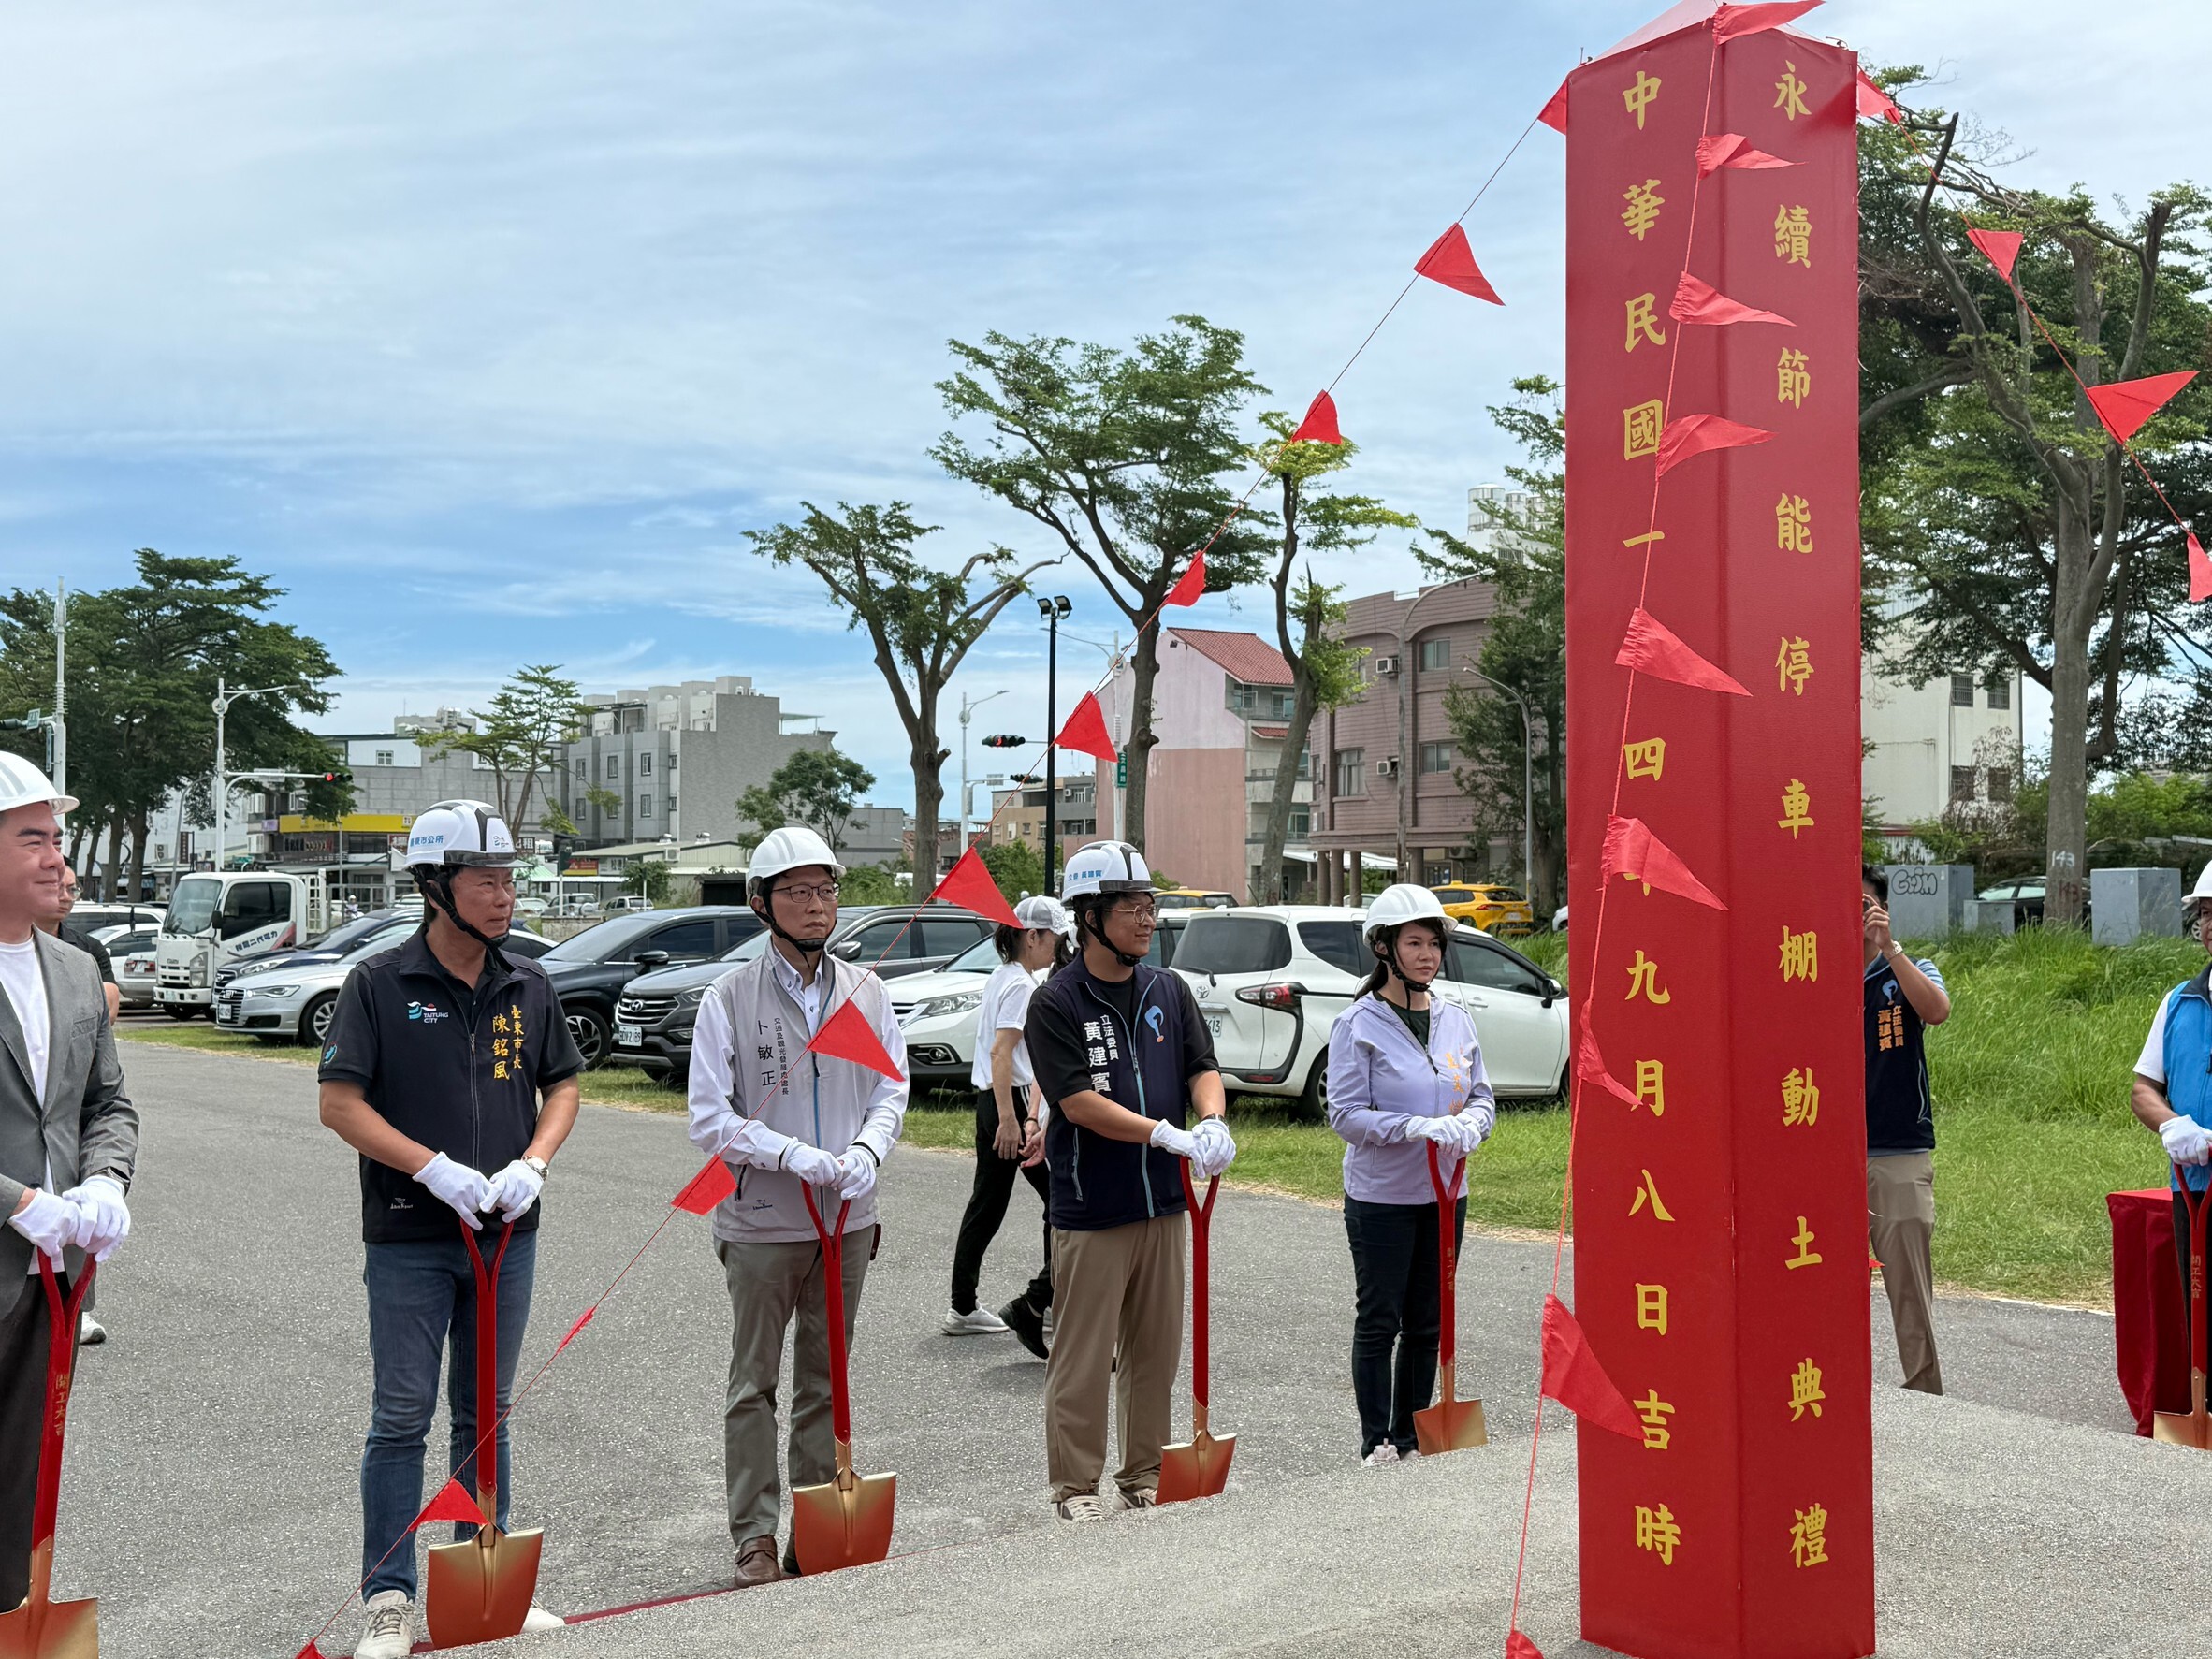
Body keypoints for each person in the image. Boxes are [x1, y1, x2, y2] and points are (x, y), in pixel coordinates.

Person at [317, 801, 580, 1659]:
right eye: (487, 880)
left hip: (508, 1232)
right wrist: (429, 1165)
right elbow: (339, 1103)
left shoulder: (528, 983)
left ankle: (486, 1575)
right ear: (436, 887)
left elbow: (563, 1086)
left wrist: (532, 1162)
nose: (505, 896)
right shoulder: (378, 983)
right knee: (401, 1415)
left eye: (511, 880)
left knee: (487, 1411)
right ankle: (387, 1599)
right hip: (408, 1235)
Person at [686, 824, 907, 1589]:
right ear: (761, 903)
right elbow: (708, 1116)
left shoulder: (866, 991)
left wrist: (866, 1154)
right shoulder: (729, 997)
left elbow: (891, 1089)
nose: (818, 906)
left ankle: (818, 1522)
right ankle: (754, 1536)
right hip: (763, 1222)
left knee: (827, 1375)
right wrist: (790, 1154)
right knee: (755, 1381)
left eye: (826, 889)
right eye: (798, 892)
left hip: (848, 1216)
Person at [1026, 841, 1233, 1523]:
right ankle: (1075, 1484)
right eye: (1131, 907)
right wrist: (1160, 1132)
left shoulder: (1166, 990)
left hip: (1164, 1201)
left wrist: (1209, 1120)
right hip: (1093, 1205)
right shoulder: (1058, 1002)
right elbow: (1077, 1100)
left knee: (1155, 1349)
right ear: (1088, 916)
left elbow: (1202, 1065)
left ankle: (1144, 1470)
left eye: (1151, 906)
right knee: (1084, 1356)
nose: (1147, 919)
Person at [0, 754, 137, 1614]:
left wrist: (106, 1180)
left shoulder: (77, 969)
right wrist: (17, 1199)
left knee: (23, 1480)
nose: (59, 857)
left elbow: (107, 1098)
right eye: (32, 838)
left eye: (59, 837)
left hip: (53, 1275)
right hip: (19, 1232)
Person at [1325, 884, 1494, 1464]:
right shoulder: (1358, 1024)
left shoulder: (1456, 1019)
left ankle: (1411, 1434)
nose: (1427, 955)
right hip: (1382, 1196)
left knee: (1430, 1317)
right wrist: (1414, 1128)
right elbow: (1345, 1115)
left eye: (1434, 945)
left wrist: (1473, 1122)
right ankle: (1375, 1440)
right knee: (1381, 1317)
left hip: (1448, 1192)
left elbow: (1482, 1096)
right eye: (1414, 943)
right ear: (1384, 949)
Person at [944, 894, 1070, 1357]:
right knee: (1058, 1199)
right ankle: (1044, 1300)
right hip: (1008, 1105)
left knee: (989, 1202)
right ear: (1031, 936)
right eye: (1053, 938)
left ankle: (965, 1305)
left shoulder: (1003, 976)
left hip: (994, 1102)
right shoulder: (1021, 986)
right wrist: (1011, 1120)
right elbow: (1003, 1052)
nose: (1057, 948)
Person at [1862, 865, 1952, 1395]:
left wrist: (1889, 948)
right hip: (1825, 1154)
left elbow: (1937, 1011)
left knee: (1909, 1288)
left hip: (1897, 1152)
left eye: (1864, 905)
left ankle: (1924, 1395)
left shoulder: (1910, 968)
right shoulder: (1807, 975)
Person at [38, 862, 124, 1345]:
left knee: (81, 1211)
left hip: (77, 1076)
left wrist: (108, 1177)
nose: (64, 892)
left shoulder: (85, 953)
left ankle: (79, 1305)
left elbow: (106, 1008)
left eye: (72, 887)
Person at [2130, 864, 2212, 1327]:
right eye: (2205, 912)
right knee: (2199, 1318)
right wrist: (2172, 1123)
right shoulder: (2178, 1001)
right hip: (2194, 1188)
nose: (2211, 924)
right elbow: (2144, 1089)